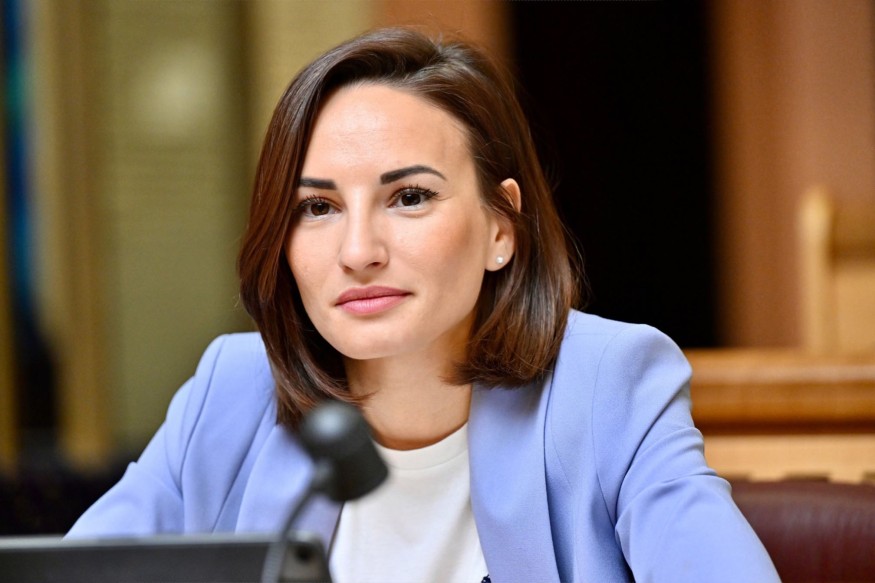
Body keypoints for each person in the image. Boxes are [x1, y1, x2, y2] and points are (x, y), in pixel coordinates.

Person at [68, 27, 779, 582]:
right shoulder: (231, 390)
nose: (358, 251)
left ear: (501, 227)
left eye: (409, 197)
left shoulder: (606, 385)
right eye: (317, 207)